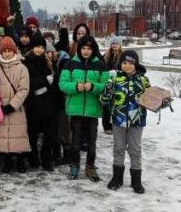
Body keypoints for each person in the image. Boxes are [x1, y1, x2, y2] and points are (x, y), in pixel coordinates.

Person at [59, 35, 108, 181]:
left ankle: (90, 166)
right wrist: (76, 86)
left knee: (92, 142)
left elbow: (106, 85)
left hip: (93, 110)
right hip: (76, 109)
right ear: (79, 49)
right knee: (76, 141)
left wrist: (94, 87)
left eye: (89, 48)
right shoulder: (70, 64)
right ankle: (74, 165)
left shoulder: (100, 64)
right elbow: (63, 84)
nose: (86, 51)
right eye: (83, 48)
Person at [101, 49, 150, 194]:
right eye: (124, 63)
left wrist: (160, 101)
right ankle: (117, 178)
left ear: (136, 64)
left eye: (130, 63)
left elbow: (150, 100)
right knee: (118, 148)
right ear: (120, 63)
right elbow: (104, 100)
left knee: (135, 150)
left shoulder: (143, 80)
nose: (127, 66)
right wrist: (108, 88)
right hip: (118, 120)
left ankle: (136, 181)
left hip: (137, 121)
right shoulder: (115, 78)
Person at [0, 37, 30, 173]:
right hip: (1, 108)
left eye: (9, 51)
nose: (7, 53)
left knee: (18, 135)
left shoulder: (22, 68)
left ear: (14, 52)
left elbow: (24, 89)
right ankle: (7, 161)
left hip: (16, 109)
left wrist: (12, 105)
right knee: (3, 136)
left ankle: (20, 160)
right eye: (4, 51)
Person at [24, 32, 56, 171]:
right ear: (32, 48)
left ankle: (46, 159)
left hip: (48, 103)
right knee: (33, 133)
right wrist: (44, 81)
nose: (40, 50)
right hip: (33, 104)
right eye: (37, 47)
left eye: (42, 47)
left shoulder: (47, 61)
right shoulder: (26, 62)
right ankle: (33, 158)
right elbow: (27, 82)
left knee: (49, 134)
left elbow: (53, 79)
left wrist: (49, 85)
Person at [102, 35, 123, 133]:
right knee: (106, 105)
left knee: (116, 105)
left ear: (120, 45)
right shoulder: (106, 55)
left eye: (116, 43)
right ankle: (107, 127)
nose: (114, 45)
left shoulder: (123, 56)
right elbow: (101, 66)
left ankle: (115, 125)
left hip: (119, 83)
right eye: (113, 44)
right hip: (107, 83)